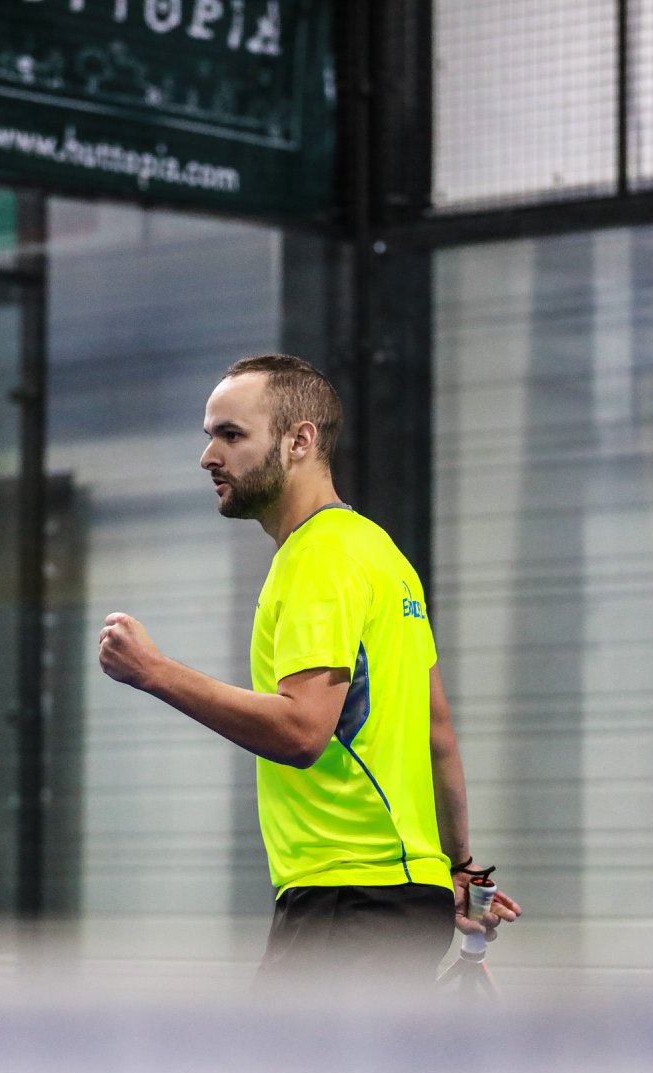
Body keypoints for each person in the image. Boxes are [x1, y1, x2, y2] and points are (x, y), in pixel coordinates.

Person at [97, 354, 517, 989]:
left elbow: (302, 731)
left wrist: (154, 672)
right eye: (209, 436)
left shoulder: (318, 558)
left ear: (300, 441)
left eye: (231, 435)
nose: (209, 456)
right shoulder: (381, 553)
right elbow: (440, 734)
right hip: (401, 897)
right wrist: (459, 872)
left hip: (348, 902)